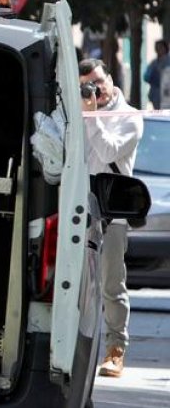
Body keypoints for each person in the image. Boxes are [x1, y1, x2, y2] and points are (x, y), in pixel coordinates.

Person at [80, 58, 143, 378]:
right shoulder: (80, 111)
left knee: (110, 285)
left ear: (109, 78)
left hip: (113, 213)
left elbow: (107, 152)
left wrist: (90, 116)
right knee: (74, 284)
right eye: (88, 84)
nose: (97, 89)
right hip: (80, 210)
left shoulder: (129, 117)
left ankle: (116, 350)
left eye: (99, 81)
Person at [143, 39, 167, 110]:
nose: (158, 50)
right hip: (156, 95)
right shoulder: (154, 63)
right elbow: (146, 77)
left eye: (160, 47)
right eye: (156, 48)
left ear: (165, 48)